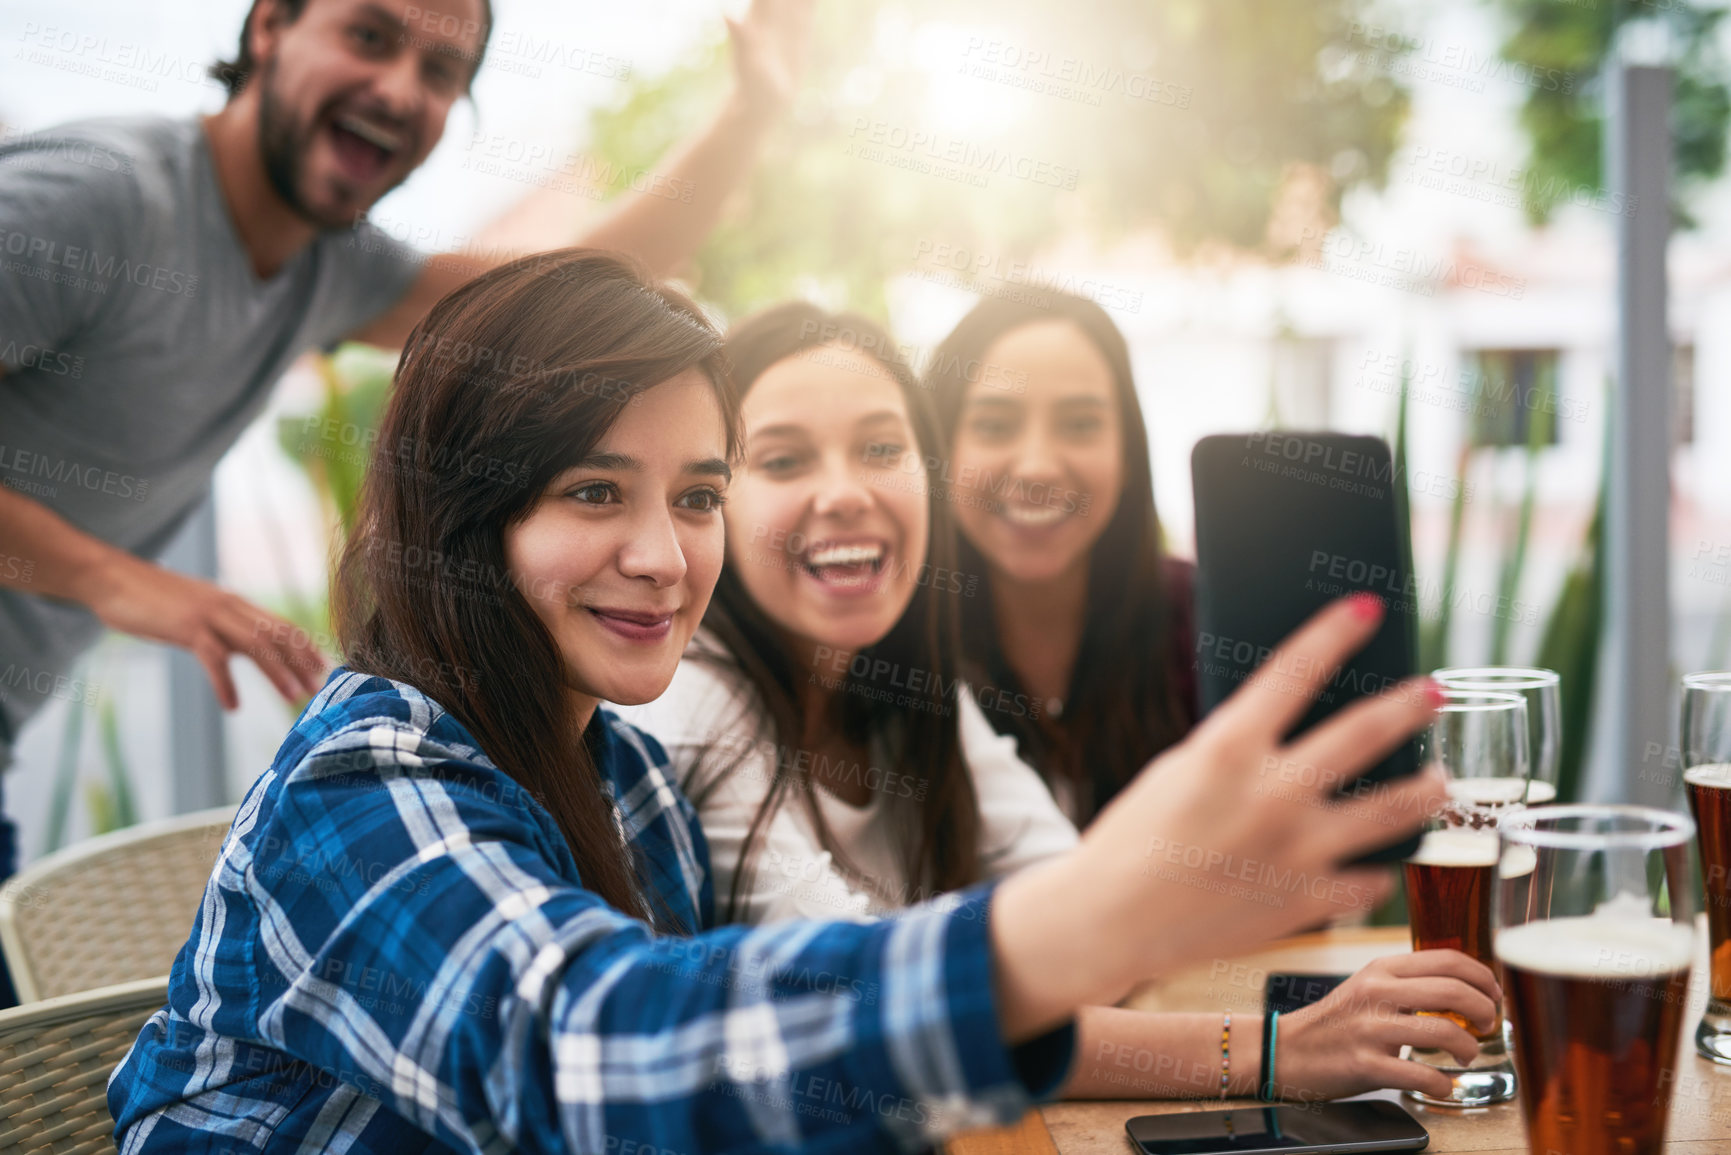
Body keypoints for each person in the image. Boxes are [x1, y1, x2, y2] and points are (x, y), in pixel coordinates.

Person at [109, 251, 1471, 1151]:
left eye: (693, 492)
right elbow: (584, 1051)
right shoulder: (365, 774)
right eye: (596, 490)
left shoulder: (623, 774)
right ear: (459, 514)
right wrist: (1095, 923)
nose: (664, 551)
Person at [0, 0, 812, 983]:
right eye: (371, 37)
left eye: (441, 70)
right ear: (267, 28)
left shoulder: (324, 264)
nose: (401, 89)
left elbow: (564, 307)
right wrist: (124, 584)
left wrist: (750, 116)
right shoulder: (100, 202)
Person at [625, 303, 1500, 1103]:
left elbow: (1078, 930)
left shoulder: (907, 683)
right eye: (782, 459)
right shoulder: (694, 699)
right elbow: (891, 1015)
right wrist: (1272, 1049)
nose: (848, 489)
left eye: (881, 448)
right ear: (711, 501)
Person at [926, 291, 1194, 825]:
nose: (1037, 468)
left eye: (1079, 424)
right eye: (995, 426)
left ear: (1127, 452)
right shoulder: (890, 644)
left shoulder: (1206, 624)